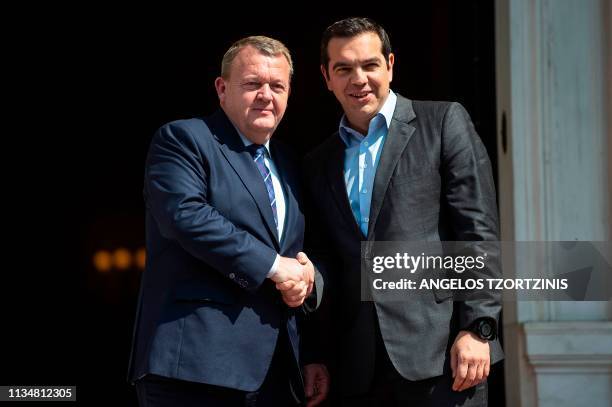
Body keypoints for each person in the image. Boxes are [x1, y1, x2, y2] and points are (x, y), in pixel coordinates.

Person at [304, 17, 503, 406]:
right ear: (327, 77)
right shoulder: (317, 162)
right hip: (356, 368)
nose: (358, 79)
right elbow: (322, 260)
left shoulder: (443, 122)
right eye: (343, 68)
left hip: (442, 356)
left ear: (390, 65)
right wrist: (314, 354)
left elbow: (477, 234)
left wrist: (479, 329)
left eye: (369, 65)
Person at [127, 35, 325, 407]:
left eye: (277, 86)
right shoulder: (184, 139)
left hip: (278, 373)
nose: (266, 94)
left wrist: (310, 282)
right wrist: (273, 267)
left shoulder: (291, 164)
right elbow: (186, 216)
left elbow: (305, 251)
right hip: (196, 367)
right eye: (253, 84)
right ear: (222, 88)